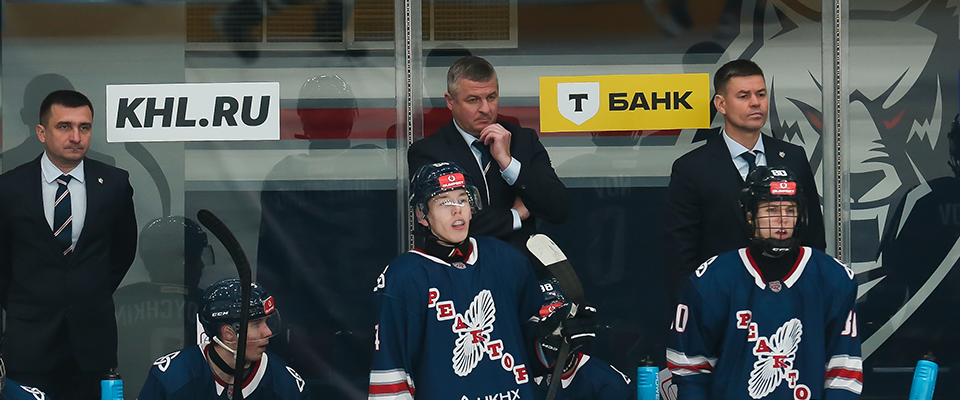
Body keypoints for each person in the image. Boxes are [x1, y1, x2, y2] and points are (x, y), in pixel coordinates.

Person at [369, 162, 579, 400]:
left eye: (462, 199)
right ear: (422, 215)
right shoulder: (403, 277)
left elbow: (533, 344)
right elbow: (390, 372)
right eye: (444, 202)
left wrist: (554, 334)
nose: (457, 210)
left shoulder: (506, 259)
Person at [666, 166, 862, 399]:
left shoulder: (833, 278)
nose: (782, 219)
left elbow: (844, 370)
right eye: (771, 210)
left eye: (790, 210)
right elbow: (690, 369)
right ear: (750, 216)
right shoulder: (713, 278)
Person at [0, 89, 138, 400]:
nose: (76, 137)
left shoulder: (114, 184)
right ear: (41, 133)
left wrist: (89, 290)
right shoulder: (9, 188)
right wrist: (28, 301)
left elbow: (122, 253)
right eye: (64, 126)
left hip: (92, 346)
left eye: (84, 127)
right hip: (29, 344)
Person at [663, 59, 825, 296]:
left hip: (786, 297)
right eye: (743, 96)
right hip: (722, 300)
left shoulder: (793, 157)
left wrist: (809, 295)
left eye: (761, 94)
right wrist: (693, 305)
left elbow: (812, 237)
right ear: (721, 104)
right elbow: (679, 252)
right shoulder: (692, 168)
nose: (755, 103)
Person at [408, 56, 570, 254]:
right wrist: (516, 215)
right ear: (450, 101)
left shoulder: (523, 140)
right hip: (461, 266)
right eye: (473, 100)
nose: (485, 109)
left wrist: (508, 164)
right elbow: (444, 225)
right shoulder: (429, 152)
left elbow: (558, 209)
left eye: (491, 98)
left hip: (521, 265)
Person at [139, 278, 310, 399]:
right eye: (256, 324)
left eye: (266, 322)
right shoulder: (173, 377)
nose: (267, 332)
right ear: (228, 333)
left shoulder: (285, 384)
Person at [114, 216, 212, 400]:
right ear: (178, 261)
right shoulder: (208, 304)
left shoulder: (118, 300)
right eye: (196, 256)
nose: (201, 265)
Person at [531, 277, 633, 400]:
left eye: (560, 321)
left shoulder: (605, 383)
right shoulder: (513, 372)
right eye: (545, 323)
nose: (553, 331)